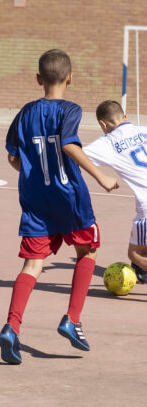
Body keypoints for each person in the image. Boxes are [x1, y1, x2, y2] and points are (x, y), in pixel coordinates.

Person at [0, 49, 119, 364]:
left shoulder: (25, 112)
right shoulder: (70, 109)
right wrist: (101, 176)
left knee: (32, 266)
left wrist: (33, 175)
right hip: (70, 197)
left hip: (35, 200)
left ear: (39, 79)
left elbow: (13, 156)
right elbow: (68, 143)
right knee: (88, 251)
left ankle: (12, 326)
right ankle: (72, 320)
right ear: (70, 77)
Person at [83, 100, 147, 284]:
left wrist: (101, 176)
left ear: (103, 123)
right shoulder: (143, 129)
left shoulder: (108, 142)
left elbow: (77, 155)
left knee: (134, 254)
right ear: (125, 117)